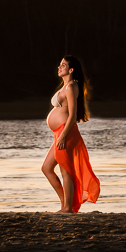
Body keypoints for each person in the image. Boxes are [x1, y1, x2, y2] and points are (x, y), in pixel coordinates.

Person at [41, 55, 101, 213]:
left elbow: (72, 115)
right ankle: (65, 203)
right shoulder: (66, 86)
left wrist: (62, 135)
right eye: (60, 64)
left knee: (65, 170)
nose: (59, 67)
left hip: (65, 132)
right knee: (46, 168)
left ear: (71, 69)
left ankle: (67, 208)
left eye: (63, 65)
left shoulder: (71, 86)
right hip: (60, 133)